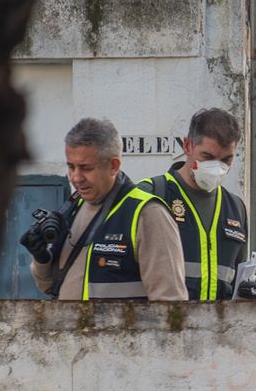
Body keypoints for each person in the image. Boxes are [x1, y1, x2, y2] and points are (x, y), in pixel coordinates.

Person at [25, 118, 187, 301]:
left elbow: (170, 304)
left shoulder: (148, 214)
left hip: (124, 331)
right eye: (71, 167)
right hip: (68, 329)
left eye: (86, 168)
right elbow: (49, 286)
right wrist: (41, 258)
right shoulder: (74, 208)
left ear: (113, 166)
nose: (76, 178)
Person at [140, 107, 256, 301]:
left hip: (219, 327)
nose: (217, 167)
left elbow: (235, 276)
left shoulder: (235, 208)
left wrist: (248, 288)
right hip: (165, 324)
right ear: (187, 146)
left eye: (226, 160)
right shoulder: (152, 194)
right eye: (207, 157)